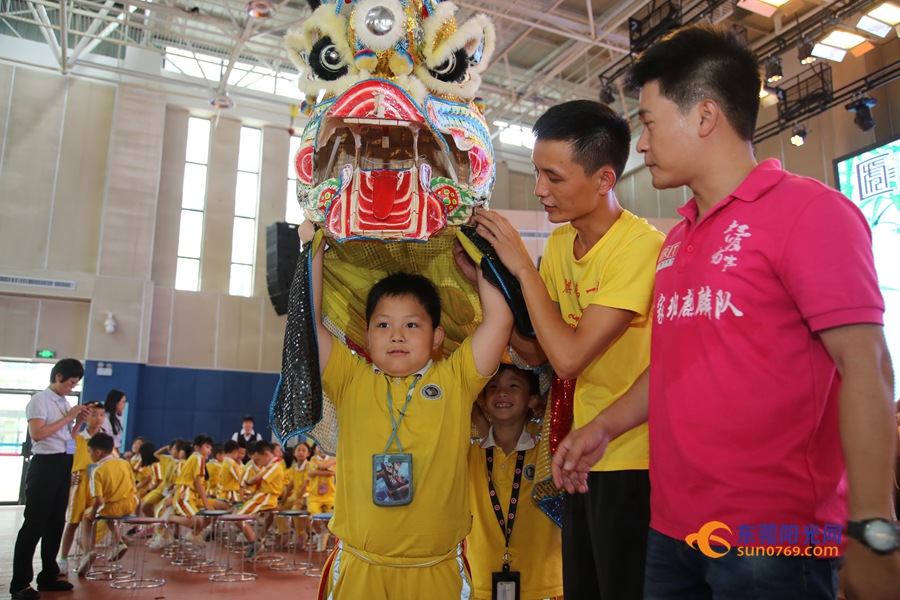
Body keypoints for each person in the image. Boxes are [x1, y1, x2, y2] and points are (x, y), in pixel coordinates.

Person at [553, 24, 900, 600]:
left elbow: (867, 367)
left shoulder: (811, 214)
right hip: (672, 529)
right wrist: (603, 427)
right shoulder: (677, 240)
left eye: (649, 123)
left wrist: (874, 530)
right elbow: (674, 365)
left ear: (705, 116)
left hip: (775, 538)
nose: (642, 145)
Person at [473, 99, 664, 598]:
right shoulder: (561, 244)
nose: (540, 189)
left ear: (604, 180)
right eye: (538, 173)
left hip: (634, 458)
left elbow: (570, 357)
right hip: (581, 455)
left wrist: (521, 267)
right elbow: (539, 353)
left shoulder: (640, 247)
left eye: (554, 177)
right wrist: (484, 280)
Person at [305, 216, 513, 598]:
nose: (397, 335)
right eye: (383, 325)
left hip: (436, 571)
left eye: (412, 325)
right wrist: (312, 248)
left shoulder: (455, 379)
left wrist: (477, 252)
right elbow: (309, 326)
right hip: (361, 568)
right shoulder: (349, 378)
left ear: (437, 336)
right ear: (366, 334)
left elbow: (499, 321)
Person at [467, 365, 563, 600]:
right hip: (483, 583)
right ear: (484, 399)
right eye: (493, 387)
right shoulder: (469, 455)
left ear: (532, 400)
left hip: (545, 584)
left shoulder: (547, 454)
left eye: (513, 386)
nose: (502, 392)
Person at [10, 358, 89, 600]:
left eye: (75, 384)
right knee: (35, 522)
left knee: (56, 522)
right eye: (70, 383)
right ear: (58, 377)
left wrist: (78, 423)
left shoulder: (64, 403)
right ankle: (20, 583)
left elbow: (67, 441)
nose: (72, 388)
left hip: (63, 462)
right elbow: (38, 434)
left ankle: (48, 575)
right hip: (45, 465)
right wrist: (68, 417)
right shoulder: (40, 400)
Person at [76, 432, 139, 577]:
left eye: (89, 451)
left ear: (98, 452)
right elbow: (133, 484)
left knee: (87, 515)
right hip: (130, 505)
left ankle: (88, 551)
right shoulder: (124, 463)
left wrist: (92, 515)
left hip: (112, 507)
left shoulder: (98, 470)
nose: (89, 454)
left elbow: (98, 500)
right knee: (109, 513)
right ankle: (119, 542)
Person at [58, 400, 106, 572]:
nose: (98, 418)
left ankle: (87, 557)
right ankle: (63, 559)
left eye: (101, 415)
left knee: (91, 521)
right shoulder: (76, 437)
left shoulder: (106, 440)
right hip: (80, 483)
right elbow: (67, 458)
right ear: (85, 417)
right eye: (93, 414)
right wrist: (69, 476)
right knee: (72, 522)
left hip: (98, 485)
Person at [237, 440, 286, 557]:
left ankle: (254, 543)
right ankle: (258, 538)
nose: (259, 463)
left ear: (266, 454)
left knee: (238, 517)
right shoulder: (270, 465)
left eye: (259, 460)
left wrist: (248, 482)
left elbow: (257, 478)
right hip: (264, 496)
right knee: (264, 517)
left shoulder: (275, 466)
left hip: (266, 497)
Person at [170, 434, 218, 546]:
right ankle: (171, 518)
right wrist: (206, 504)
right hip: (185, 496)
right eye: (207, 447)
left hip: (194, 497)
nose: (209, 451)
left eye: (211, 448)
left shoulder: (197, 459)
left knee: (218, 510)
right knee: (198, 521)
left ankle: (195, 534)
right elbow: (198, 483)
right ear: (197, 447)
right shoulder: (198, 457)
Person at [100, 389, 127, 454]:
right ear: (115, 402)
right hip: (107, 451)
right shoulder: (104, 418)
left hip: (114, 450)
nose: (124, 404)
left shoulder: (116, 418)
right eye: (123, 402)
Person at [218, 440, 244, 505]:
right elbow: (239, 478)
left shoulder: (223, 462)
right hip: (231, 495)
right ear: (234, 452)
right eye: (238, 453)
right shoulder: (231, 463)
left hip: (224, 492)